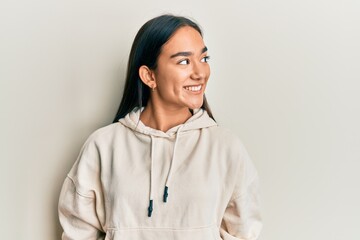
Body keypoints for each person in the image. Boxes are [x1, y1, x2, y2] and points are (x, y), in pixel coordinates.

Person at [58, 14, 262, 240]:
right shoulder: (103, 146)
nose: (200, 73)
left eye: (204, 59)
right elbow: (77, 233)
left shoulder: (226, 147)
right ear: (149, 76)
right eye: (184, 61)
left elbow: (244, 233)